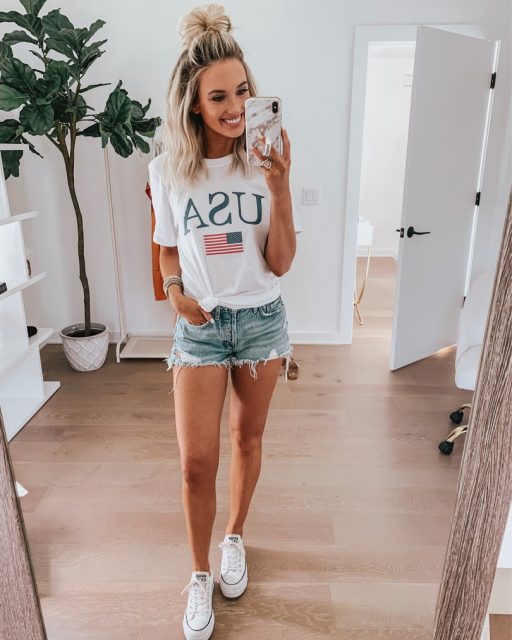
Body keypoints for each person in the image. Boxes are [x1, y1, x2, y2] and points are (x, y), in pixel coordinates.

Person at [148, 5, 302, 639]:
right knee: (194, 464)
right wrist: (175, 291)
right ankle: (197, 573)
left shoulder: (266, 159)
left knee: (246, 440)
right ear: (193, 103)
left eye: (242, 91)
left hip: (261, 321)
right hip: (201, 327)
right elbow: (166, 247)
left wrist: (281, 187)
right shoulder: (166, 169)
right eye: (219, 97)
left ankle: (234, 536)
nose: (236, 107)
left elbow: (281, 262)